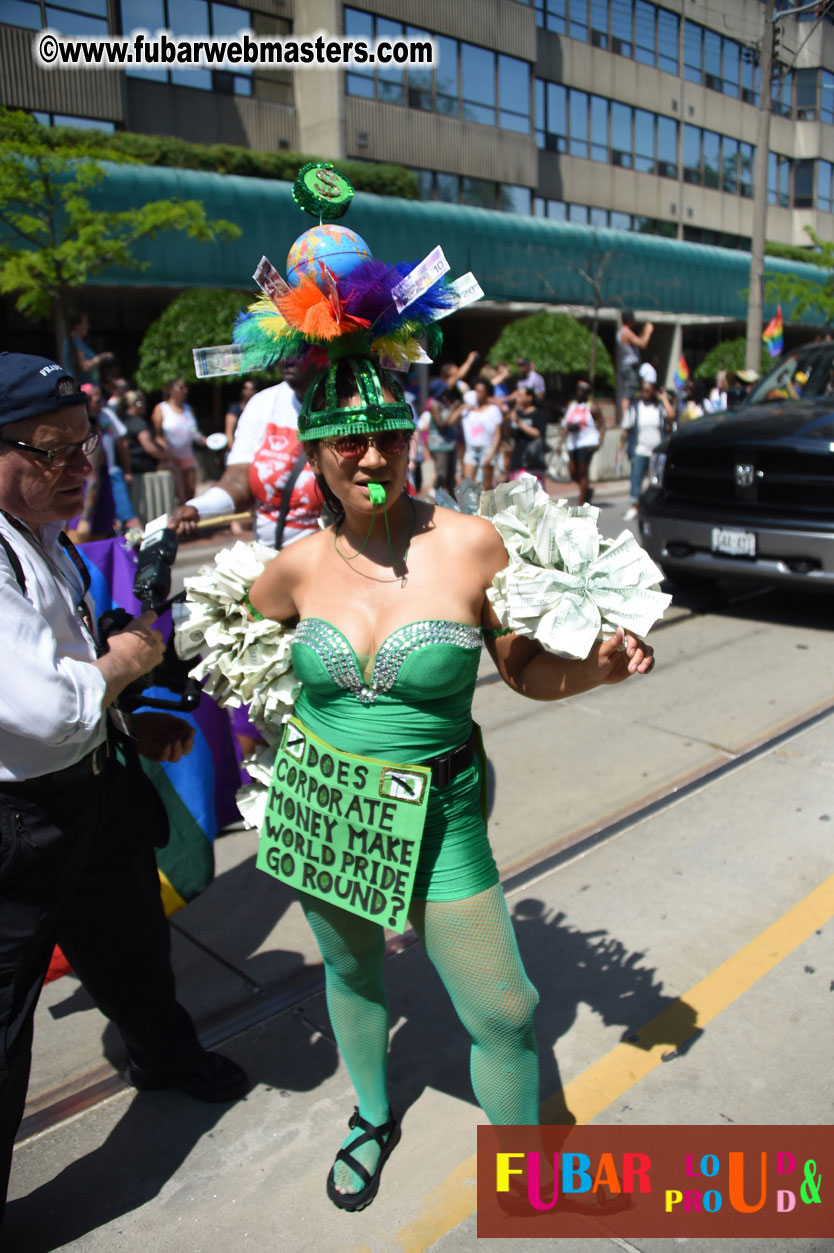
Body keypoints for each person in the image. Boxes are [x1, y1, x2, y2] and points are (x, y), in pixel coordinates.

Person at [245, 354, 655, 1214]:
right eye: (349, 441)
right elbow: (242, 650)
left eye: (390, 437)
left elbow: (525, 670)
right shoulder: (294, 567)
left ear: (412, 440)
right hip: (329, 809)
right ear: (314, 454)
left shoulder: (471, 543)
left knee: (505, 1008)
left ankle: (527, 1176)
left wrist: (598, 669)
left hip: (442, 816)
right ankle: (371, 1115)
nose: (373, 456)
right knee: (351, 969)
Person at [0, 352, 249, 1221]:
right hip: (18, 824)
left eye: (85, 447)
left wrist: (129, 721)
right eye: (51, 451)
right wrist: (134, 657)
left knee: (134, 944)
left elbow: (68, 674)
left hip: (93, 789)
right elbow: (47, 706)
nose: (78, 468)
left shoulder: (45, 535)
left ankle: (165, 1056)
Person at [620, 365, 675, 519]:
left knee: (657, 481)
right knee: (636, 479)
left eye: (648, 390)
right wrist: (620, 447)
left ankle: (657, 507)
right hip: (640, 450)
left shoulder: (659, 408)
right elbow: (626, 429)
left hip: (656, 453)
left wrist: (664, 399)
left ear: (653, 391)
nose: (644, 392)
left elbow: (671, 415)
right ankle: (635, 506)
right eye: (643, 390)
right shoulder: (635, 408)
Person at [151, 378, 205, 504]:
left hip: (187, 455)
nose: (185, 390)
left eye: (185, 387)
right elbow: (157, 436)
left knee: (190, 490)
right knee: (177, 494)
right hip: (171, 458)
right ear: (170, 390)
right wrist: (165, 450)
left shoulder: (188, 408)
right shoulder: (161, 409)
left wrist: (201, 439)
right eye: (181, 388)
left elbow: (193, 430)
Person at [559, 380, 603, 505]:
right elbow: (566, 426)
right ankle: (586, 490)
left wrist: (599, 441)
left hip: (587, 442)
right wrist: (561, 442)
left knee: (583, 473)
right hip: (573, 443)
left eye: (583, 391)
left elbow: (602, 424)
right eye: (578, 390)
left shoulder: (592, 407)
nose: (580, 393)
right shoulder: (572, 406)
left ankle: (581, 503)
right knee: (573, 473)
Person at [461, 378, 504, 490]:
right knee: (467, 484)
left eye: (480, 391)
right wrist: (462, 407)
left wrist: (492, 453)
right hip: (471, 449)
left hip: (487, 449)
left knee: (486, 485)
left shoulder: (493, 410)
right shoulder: (467, 410)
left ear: (487, 393)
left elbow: (497, 434)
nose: (477, 394)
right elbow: (451, 421)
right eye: (476, 391)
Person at [616, 310, 654, 423]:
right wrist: (648, 331)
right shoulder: (626, 332)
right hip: (630, 367)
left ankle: (627, 419)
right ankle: (626, 420)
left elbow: (638, 341)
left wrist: (643, 332)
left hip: (627, 366)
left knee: (629, 392)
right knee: (628, 393)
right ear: (630, 320)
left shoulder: (622, 332)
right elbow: (643, 344)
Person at [507, 384, 548, 484]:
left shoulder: (539, 414)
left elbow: (537, 434)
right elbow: (508, 434)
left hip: (533, 463)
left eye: (520, 396)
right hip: (517, 461)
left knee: (534, 493)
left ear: (530, 397)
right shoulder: (517, 413)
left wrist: (519, 423)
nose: (518, 399)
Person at [61, 313, 114, 386]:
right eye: (85, 323)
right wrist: (102, 357)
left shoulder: (80, 343)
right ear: (77, 326)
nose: (88, 326)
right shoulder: (73, 343)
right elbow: (85, 366)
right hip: (83, 388)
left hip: (91, 388)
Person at [224, 378, 258, 448]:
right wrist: (234, 450)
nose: (246, 391)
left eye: (250, 389)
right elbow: (229, 433)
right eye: (245, 388)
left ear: (255, 391)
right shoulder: (235, 409)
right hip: (238, 448)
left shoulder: (259, 408)